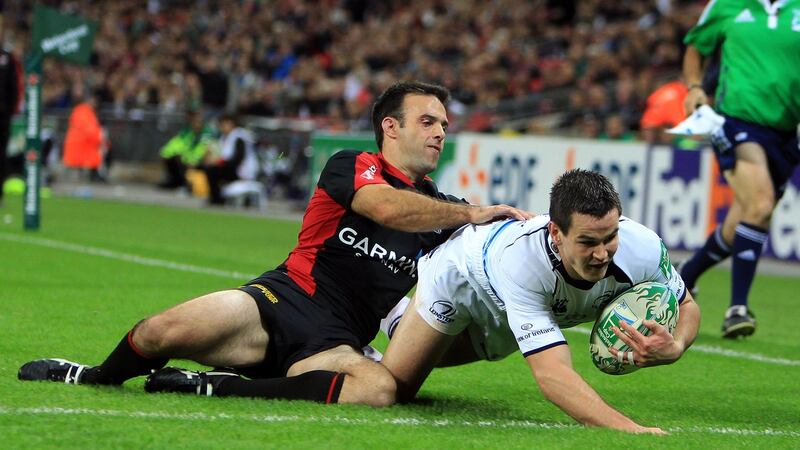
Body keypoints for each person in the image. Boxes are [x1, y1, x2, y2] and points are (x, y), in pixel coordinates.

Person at [18, 81, 531, 406]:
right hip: (275, 303)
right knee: (160, 331)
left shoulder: (444, 211)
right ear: (390, 127)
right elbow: (386, 207)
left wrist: (540, 241)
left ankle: (218, 385)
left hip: (335, 341)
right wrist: (471, 213)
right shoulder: (352, 165)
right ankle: (94, 377)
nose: (440, 132)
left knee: (377, 389)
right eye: (428, 121)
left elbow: (500, 251)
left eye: (444, 125)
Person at [379, 169, 700, 434]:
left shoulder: (643, 247)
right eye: (587, 242)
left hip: (516, 309)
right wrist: (631, 429)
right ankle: (384, 305)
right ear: (556, 233)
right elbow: (552, 375)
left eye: (610, 237)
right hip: (460, 277)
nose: (602, 253)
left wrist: (676, 346)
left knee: (438, 356)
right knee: (396, 388)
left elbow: (686, 305)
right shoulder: (524, 263)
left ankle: (399, 318)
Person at [677, 0, 800, 338]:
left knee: (742, 221)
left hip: (787, 132)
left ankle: (686, 274)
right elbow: (696, 47)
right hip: (734, 122)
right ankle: (737, 309)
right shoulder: (727, 5)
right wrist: (695, 86)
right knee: (760, 205)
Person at [201, 113, 259, 205]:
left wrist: (217, 162)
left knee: (212, 171)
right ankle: (216, 196)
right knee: (209, 168)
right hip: (231, 168)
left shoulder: (239, 136)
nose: (221, 127)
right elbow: (220, 155)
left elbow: (237, 159)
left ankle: (217, 199)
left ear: (231, 123)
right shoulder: (224, 138)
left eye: (223, 124)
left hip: (242, 172)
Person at [157, 108, 214, 190]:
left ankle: (185, 185)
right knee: (172, 159)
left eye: (198, 121)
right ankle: (174, 182)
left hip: (198, 161)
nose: (195, 124)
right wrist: (165, 153)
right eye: (194, 121)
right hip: (187, 158)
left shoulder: (207, 134)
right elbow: (176, 144)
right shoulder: (188, 132)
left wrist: (193, 161)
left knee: (182, 162)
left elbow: (202, 149)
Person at [62, 92, 109, 182]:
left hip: (80, 143)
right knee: (101, 150)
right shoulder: (84, 112)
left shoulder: (81, 111)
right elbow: (90, 130)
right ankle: (96, 174)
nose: (95, 104)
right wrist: (100, 140)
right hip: (82, 144)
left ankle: (95, 173)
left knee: (102, 148)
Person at [0, 12, 20, 206]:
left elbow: (14, 88)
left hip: (2, 116)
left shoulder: (7, 57)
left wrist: (10, 110)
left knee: (1, 155)